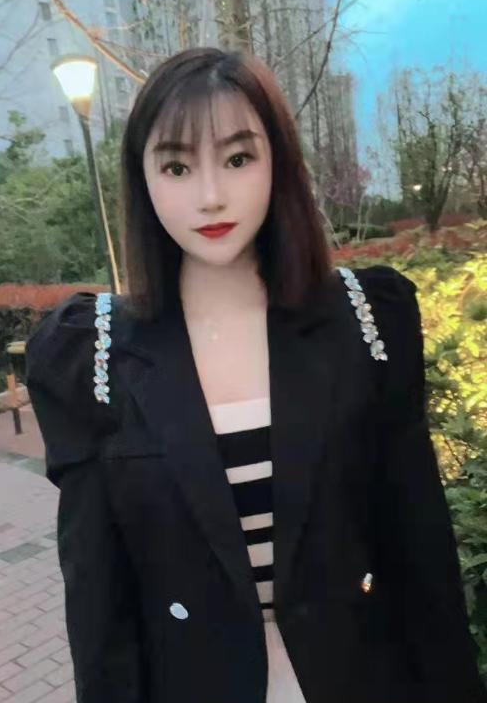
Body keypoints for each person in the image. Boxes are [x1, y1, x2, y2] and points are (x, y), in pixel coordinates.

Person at [25, 48, 486, 703]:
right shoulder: (92, 354)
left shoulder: (366, 320)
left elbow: (421, 554)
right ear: (143, 178)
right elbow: (99, 605)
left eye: (238, 158)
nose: (210, 195)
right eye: (177, 166)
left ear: (278, 161)